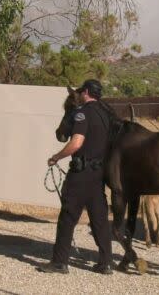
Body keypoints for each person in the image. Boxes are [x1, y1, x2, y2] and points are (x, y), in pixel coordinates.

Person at [39, 79, 117, 275]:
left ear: (87, 92)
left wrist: (56, 157)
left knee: (68, 216)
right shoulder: (106, 115)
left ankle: (59, 262)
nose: (80, 93)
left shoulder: (83, 113)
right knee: (99, 218)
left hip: (80, 174)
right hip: (98, 174)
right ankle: (106, 262)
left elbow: (76, 142)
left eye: (82, 90)